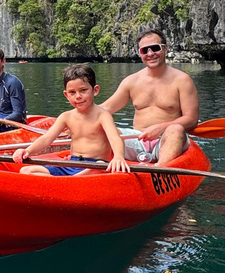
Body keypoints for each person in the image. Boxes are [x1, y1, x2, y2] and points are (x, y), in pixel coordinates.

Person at [100, 29, 199, 166]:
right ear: (140, 54)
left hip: (167, 140)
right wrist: (71, 119)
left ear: (165, 49)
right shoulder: (131, 81)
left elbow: (191, 120)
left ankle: (160, 169)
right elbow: (105, 109)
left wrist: (161, 128)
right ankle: (98, 165)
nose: (150, 54)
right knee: (101, 128)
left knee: (175, 129)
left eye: (155, 48)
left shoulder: (182, 80)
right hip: (137, 139)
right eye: (144, 50)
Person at [12, 64, 129, 176]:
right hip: (72, 164)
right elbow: (47, 138)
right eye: (72, 92)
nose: (78, 96)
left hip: (94, 165)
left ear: (95, 90)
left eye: (83, 90)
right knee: (26, 170)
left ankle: (68, 182)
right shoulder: (66, 116)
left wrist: (119, 156)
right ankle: (67, 182)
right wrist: (27, 151)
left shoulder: (103, 115)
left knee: (100, 166)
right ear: (66, 95)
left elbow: (114, 138)